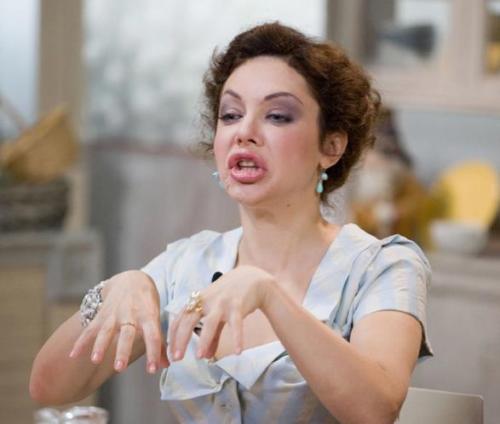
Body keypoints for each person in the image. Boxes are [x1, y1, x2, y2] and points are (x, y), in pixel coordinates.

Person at [30, 22, 432, 423]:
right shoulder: (185, 265)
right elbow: (50, 389)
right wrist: (114, 289)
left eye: (277, 116)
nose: (245, 132)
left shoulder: (381, 266)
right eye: (231, 114)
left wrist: (269, 296)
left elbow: (377, 409)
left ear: (331, 146)